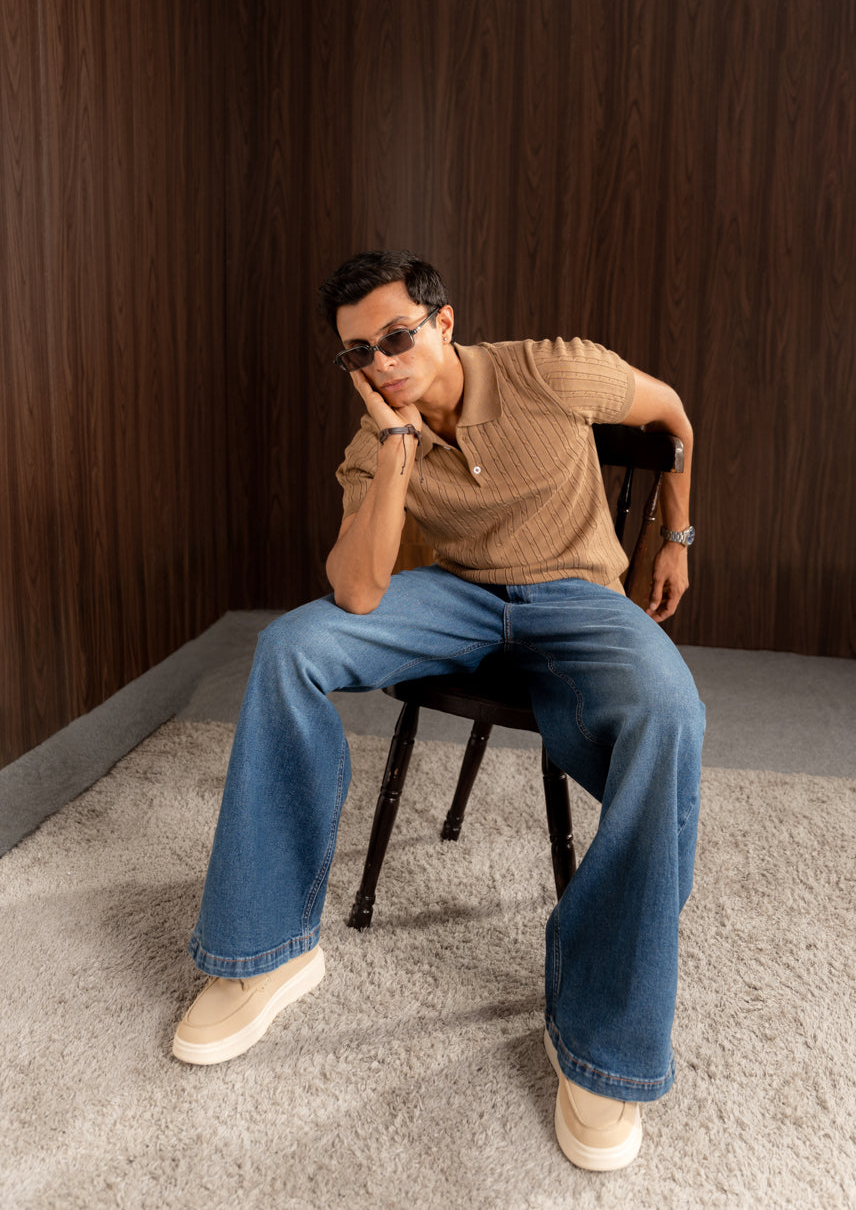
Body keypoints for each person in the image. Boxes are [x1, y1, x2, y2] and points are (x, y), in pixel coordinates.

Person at [172, 249, 705, 1174]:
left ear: (443, 322)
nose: (381, 362)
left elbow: (672, 416)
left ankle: (601, 1040)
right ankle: (266, 952)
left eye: (396, 338)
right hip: (455, 599)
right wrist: (395, 448)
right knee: (290, 647)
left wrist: (677, 536)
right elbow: (358, 593)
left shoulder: (552, 369)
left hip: (578, 595)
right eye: (358, 354)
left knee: (672, 715)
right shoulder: (374, 440)